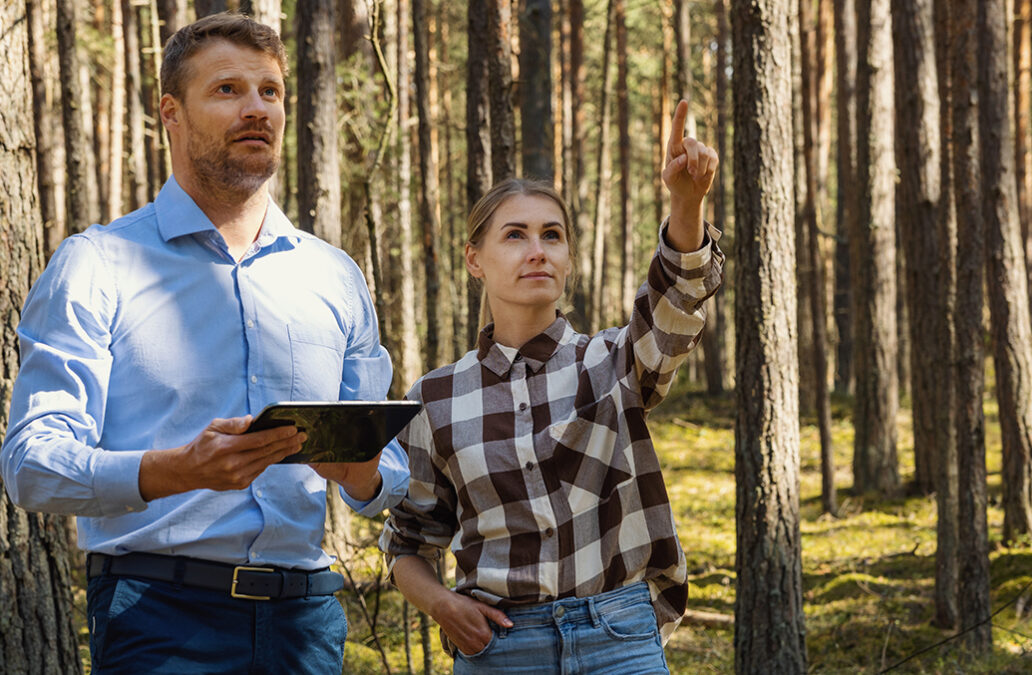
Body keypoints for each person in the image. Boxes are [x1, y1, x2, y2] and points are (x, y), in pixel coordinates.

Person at [0, 13, 407, 674]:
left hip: (308, 624)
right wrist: (177, 470)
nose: (256, 109)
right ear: (172, 112)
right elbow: (32, 462)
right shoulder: (97, 264)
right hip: (157, 617)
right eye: (227, 90)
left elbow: (386, 474)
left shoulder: (334, 275)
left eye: (270, 92)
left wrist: (358, 469)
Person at [379, 100, 723, 674]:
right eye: (515, 235)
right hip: (500, 648)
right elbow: (408, 540)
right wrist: (441, 605)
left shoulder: (613, 361)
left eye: (552, 235)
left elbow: (677, 305)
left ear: (568, 260)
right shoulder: (436, 399)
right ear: (475, 260)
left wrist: (687, 203)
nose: (537, 249)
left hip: (620, 638)